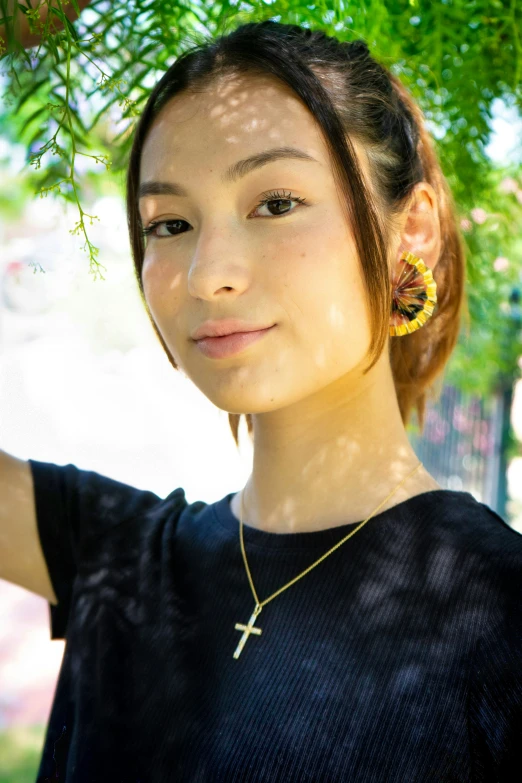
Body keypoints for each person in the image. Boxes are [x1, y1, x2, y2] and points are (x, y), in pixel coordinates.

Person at [1, 19, 521, 782]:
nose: (209, 273)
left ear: (412, 231)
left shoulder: (500, 616)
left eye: (275, 202)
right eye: (170, 224)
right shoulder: (119, 559)